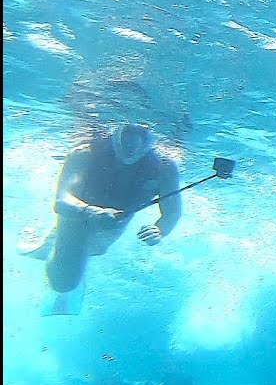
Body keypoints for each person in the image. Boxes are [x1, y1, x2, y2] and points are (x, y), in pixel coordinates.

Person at [19, 123, 182, 296]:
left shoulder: (165, 168)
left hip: (109, 229)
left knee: (90, 253)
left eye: (142, 134)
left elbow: (172, 212)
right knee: (63, 282)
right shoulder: (85, 154)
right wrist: (91, 212)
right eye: (129, 133)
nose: (132, 147)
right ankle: (57, 256)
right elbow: (61, 201)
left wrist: (159, 229)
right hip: (75, 218)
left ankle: (60, 254)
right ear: (115, 132)